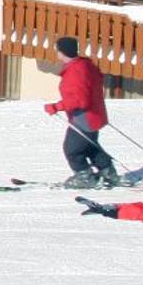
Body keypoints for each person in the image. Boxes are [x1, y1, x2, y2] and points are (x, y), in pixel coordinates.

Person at [47, 36, 120, 188]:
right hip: (94, 115)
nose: (57, 53)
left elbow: (81, 100)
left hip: (84, 117)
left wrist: (56, 107)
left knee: (72, 150)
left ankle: (84, 176)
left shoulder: (76, 71)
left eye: (58, 50)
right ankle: (108, 172)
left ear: (62, 52)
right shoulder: (85, 65)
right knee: (89, 146)